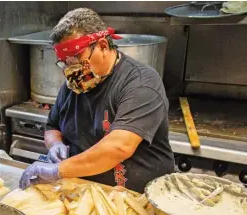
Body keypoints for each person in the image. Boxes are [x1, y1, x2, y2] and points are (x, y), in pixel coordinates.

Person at [19, 8, 174, 193]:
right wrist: (55, 145)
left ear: (102, 45)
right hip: (86, 190)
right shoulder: (75, 84)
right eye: (65, 62)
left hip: (137, 195)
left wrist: (58, 170)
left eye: (76, 58)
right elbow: (53, 126)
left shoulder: (141, 83)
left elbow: (118, 147)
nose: (71, 68)